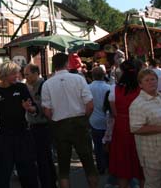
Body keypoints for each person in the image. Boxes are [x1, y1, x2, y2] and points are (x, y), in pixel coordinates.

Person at [41, 53, 98, 188]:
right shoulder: (78, 79)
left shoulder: (47, 84)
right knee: (89, 163)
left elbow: (47, 111)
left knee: (63, 167)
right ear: (67, 63)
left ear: (53, 65)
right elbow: (90, 104)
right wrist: (85, 119)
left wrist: (54, 120)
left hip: (60, 124)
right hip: (79, 122)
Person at [0, 61, 39, 188]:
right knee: (4, 173)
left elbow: (34, 109)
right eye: (14, 73)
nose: (18, 76)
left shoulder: (21, 88)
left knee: (27, 172)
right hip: (4, 136)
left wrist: (29, 108)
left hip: (22, 134)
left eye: (18, 73)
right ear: (4, 75)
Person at [130, 69, 161, 188]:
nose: (151, 82)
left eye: (153, 79)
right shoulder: (138, 104)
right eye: (147, 80)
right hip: (153, 155)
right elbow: (135, 128)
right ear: (140, 84)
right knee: (154, 184)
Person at [108, 59, 144, 188]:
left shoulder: (114, 90)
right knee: (142, 166)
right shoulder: (142, 89)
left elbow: (114, 112)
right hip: (140, 126)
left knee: (123, 165)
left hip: (121, 127)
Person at [23, 63, 57, 188]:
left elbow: (47, 106)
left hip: (43, 126)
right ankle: (50, 181)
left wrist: (33, 109)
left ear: (36, 73)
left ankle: (48, 183)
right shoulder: (27, 86)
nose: (25, 77)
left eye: (27, 74)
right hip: (33, 126)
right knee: (43, 158)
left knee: (43, 158)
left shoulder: (44, 86)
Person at [88, 66, 111, 175]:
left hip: (94, 119)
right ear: (103, 75)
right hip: (107, 120)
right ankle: (109, 164)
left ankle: (100, 167)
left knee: (97, 145)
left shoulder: (88, 88)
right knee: (108, 143)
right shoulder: (108, 87)